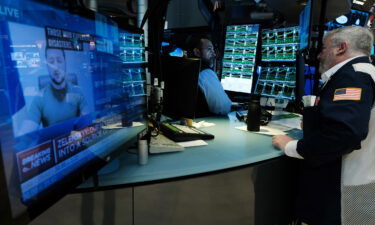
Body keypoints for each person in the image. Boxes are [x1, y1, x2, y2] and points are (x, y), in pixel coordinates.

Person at [272, 26, 375, 225]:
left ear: (341, 48)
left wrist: (291, 146)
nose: (319, 55)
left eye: (324, 48)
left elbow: (344, 133)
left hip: (341, 188)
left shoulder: (352, 76)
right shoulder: (366, 72)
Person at [18, 48, 90, 136]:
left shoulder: (77, 91)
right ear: (47, 66)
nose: (56, 66)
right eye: (51, 62)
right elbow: (26, 132)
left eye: (59, 60)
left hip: (76, 143)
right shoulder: (40, 98)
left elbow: (88, 121)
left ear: (65, 63)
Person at [191, 37, 232, 115]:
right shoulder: (205, 73)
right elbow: (223, 107)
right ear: (197, 52)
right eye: (209, 49)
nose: (214, 54)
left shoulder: (188, 70)